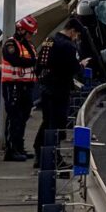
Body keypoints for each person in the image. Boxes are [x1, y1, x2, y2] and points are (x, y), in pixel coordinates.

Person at [35, 19, 86, 159]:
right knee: (57, 124)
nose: (76, 38)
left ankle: (39, 153)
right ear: (72, 31)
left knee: (47, 121)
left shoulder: (49, 40)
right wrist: (81, 65)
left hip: (45, 86)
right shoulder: (68, 46)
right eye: (77, 35)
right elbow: (74, 68)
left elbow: (39, 65)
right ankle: (53, 157)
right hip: (60, 88)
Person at [0, 15, 39, 162]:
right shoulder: (11, 44)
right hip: (13, 85)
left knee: (23, 117)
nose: (31, 36)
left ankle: (19, 147)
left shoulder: (28, 45)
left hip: (26, 86)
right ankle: (11, 150)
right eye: (29, 33)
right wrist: (32, 62)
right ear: (21, 30)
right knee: (14, 117)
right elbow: (15, 60)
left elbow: (33, 61)